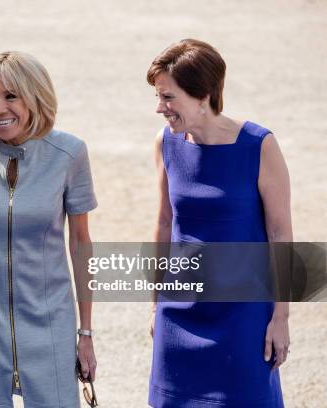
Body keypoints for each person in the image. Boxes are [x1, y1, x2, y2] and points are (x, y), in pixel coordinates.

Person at [0, 51, 98, 408]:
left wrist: (85, 332)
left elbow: (81, 243)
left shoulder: (69, 153)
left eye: (11, 96)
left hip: (48, 314)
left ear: (35, 97)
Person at [147, 39, 291, 407]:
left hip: (243, 314)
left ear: (203, 95)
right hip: (179, 312)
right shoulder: (166, 143)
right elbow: (164, 223)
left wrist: (280, 317)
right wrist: (154, 304)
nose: (160, 108)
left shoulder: (258, 146)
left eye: (168, 97)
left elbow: (280, 234)